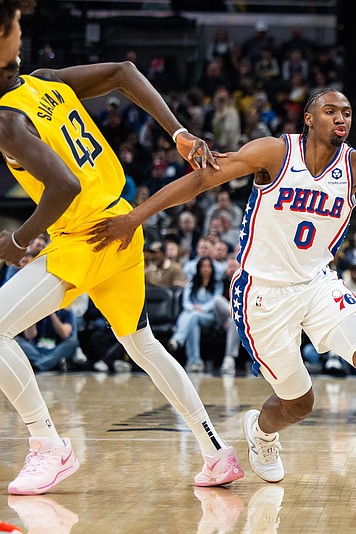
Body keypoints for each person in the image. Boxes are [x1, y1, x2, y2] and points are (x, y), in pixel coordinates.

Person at [89, 88, 356, 500]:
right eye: (331, 111)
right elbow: (200, 181)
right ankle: (262, 432)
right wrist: (133, 217)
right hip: (262, 293)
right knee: (300, 403)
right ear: (308, 118)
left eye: (347, 112)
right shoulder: (274, 153)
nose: (341, 118)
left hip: (319, 285)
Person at [0, 56, 244, 493]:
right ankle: (216, 453)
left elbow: (65, 187)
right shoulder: (44, 81)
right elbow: (124, 72)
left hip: (86, 237)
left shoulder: (7, 121)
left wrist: (19, 240)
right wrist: (179, 133)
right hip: (122, 226)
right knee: (142, 345)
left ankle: (49, 445)